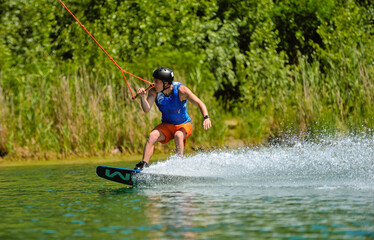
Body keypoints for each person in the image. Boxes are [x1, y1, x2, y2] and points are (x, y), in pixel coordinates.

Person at [134, 67, 212, 170]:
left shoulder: (181, 90)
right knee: (152, 136)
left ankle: (179, 167)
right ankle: (143, 165)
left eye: (156, 82)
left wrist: (206, 117)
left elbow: (199, 103)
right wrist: (143, 98)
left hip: (184, 124)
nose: (153, 84)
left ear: (166, 83)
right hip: (167, 125)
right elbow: (147, 109)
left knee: (179, 135)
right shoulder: (154, 91)